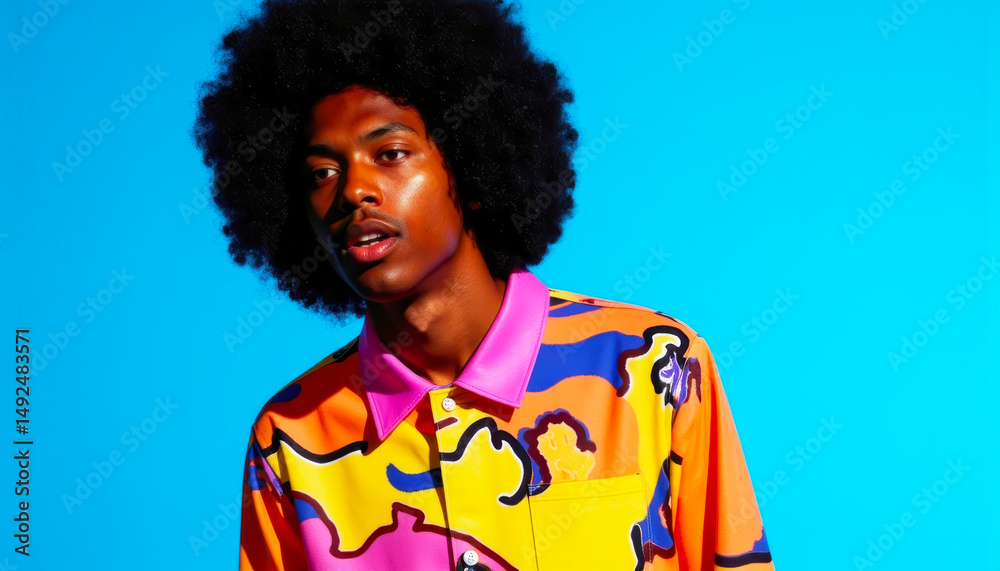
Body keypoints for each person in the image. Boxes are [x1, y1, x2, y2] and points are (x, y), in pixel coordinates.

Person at [193, 0, 774, 569]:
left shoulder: (656, 368)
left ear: (472, 164)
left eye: (390, 153)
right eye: (322, 173)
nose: (352, 191)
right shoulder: (290, 438)